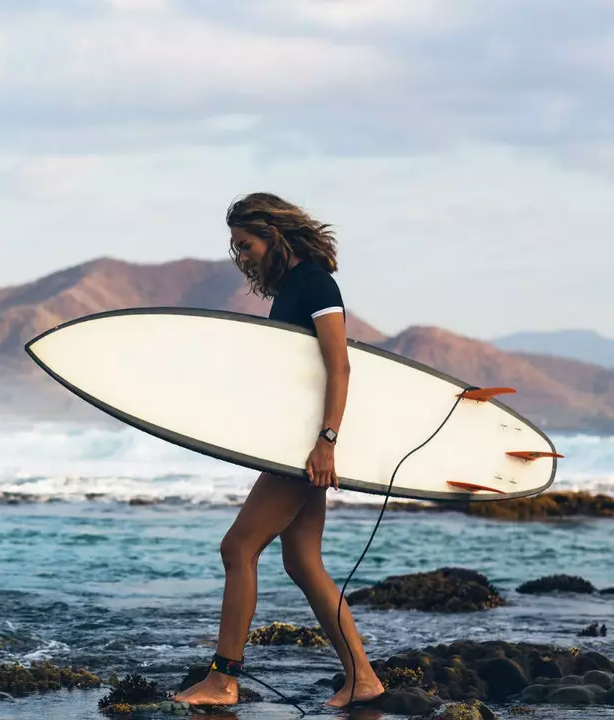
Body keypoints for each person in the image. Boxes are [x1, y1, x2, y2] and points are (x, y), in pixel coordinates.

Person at [170, 192, 386, 709]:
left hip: (306, 448)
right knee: (302, 561)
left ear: (274, 237)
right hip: (297, 445)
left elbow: (340, 366)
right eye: (235, 248)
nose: (240, 257)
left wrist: (326, 443)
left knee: (238, 549)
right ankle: (363, 678)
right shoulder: (288, 290)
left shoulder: (313, 283)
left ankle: (223, 681)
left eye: (245, 245)